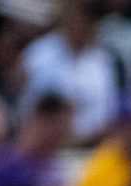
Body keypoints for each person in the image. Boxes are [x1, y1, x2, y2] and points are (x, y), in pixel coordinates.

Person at [15, 0, 118, 142]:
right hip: (42, 144)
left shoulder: (103, 61)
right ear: (67, 18)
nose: (81, 25)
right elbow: (23, 102)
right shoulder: (38, 54)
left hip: (90, 146)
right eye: (78, 17)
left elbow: (108, 112)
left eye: (89, 20)